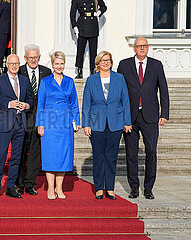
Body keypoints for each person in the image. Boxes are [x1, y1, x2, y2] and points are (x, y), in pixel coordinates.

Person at [117, 37, 169, 200]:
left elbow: (164, 90)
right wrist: (121, 116)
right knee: (131, 153)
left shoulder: (156, 65)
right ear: (134, 48)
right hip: (130, 116)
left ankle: (148, 187)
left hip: (151, 115)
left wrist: (164, 113)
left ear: (148, 47)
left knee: (151, 150)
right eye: (139, 46)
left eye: (144, 46)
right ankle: (134, 187)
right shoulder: (124, 65)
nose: (142, 48)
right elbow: (119, 91)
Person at [82, 51, 131, 200]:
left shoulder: (119, 78)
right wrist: (86, 124)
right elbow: (86, 104)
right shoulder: (91, 80)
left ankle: (109, 188)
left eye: (108, 60)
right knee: (98, 157)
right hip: (97, 124)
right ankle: (99, 188)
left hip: (115, 123)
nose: (105, 63)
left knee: (111, 157)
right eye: (103, 60)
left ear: (111, 62)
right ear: (97, 63)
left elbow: (126, 101)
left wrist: (127, 122)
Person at [35, 51, 80, 200]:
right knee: (51, 155)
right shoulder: (45, 82)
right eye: (57, 63)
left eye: (62, 63)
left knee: (63, 156)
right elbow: (40, 104)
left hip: (65, 123)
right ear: (52, 64)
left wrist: (77, 121)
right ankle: (50, 188)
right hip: (50, 122)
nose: (59, 66)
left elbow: (74, 103)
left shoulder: (70, 81)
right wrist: (40, 124)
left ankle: (59, 188)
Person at [0, 54, 33, 200]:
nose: (14, 66)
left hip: (20, 123)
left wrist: (27, 105)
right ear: (6, 64)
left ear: (19, 64)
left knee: (16, 157)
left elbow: (30, 99)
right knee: (1, 156)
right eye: (11, 63)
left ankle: (10, 187)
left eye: (17, 63)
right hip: (4, 124)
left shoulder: (25, 81)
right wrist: (8, 104)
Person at [16, 44, 52, 196]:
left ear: (39, 58)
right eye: (30, 58)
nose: (33, 60)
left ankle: (30, 183)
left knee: (36, 153)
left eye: (35, 57)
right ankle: (19, 183)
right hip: (23, 118)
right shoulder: (19, 71)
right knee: (22, 151)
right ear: (25, 58)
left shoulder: (46, 72)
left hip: (40, 119)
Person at [70, 0, 107, 79]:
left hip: (93, 24)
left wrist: (99, 12)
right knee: (80, 50)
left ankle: (93, 70)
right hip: (82, 25)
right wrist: (74, 26)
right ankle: (79, 71)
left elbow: (104, 7)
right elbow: (72, 13)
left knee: (93, 51)